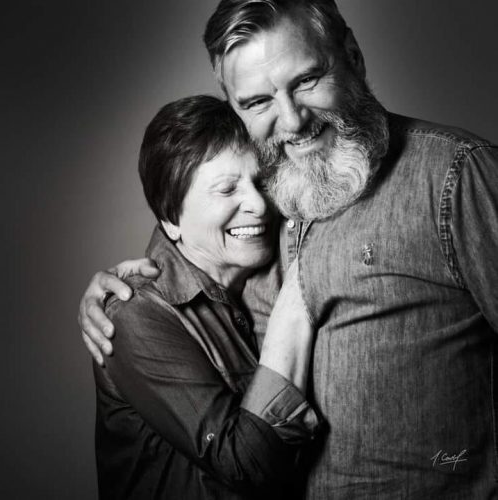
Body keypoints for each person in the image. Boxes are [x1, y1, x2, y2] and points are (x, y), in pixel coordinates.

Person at [79, 1, 498, 497]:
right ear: (236, 107)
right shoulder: (277, 190)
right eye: (257, 101)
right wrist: (122, 292)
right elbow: (194, 222)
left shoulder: (455, 176)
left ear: (352, 56)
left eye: (305, 80)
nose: (292, 120)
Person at [93, 94, 320, 500]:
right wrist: (296, 305)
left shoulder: (261, 268)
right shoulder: (134, 315)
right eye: (226, 189)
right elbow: (244, 464)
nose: (257, 204)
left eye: (259, 180)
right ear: (171, 218)